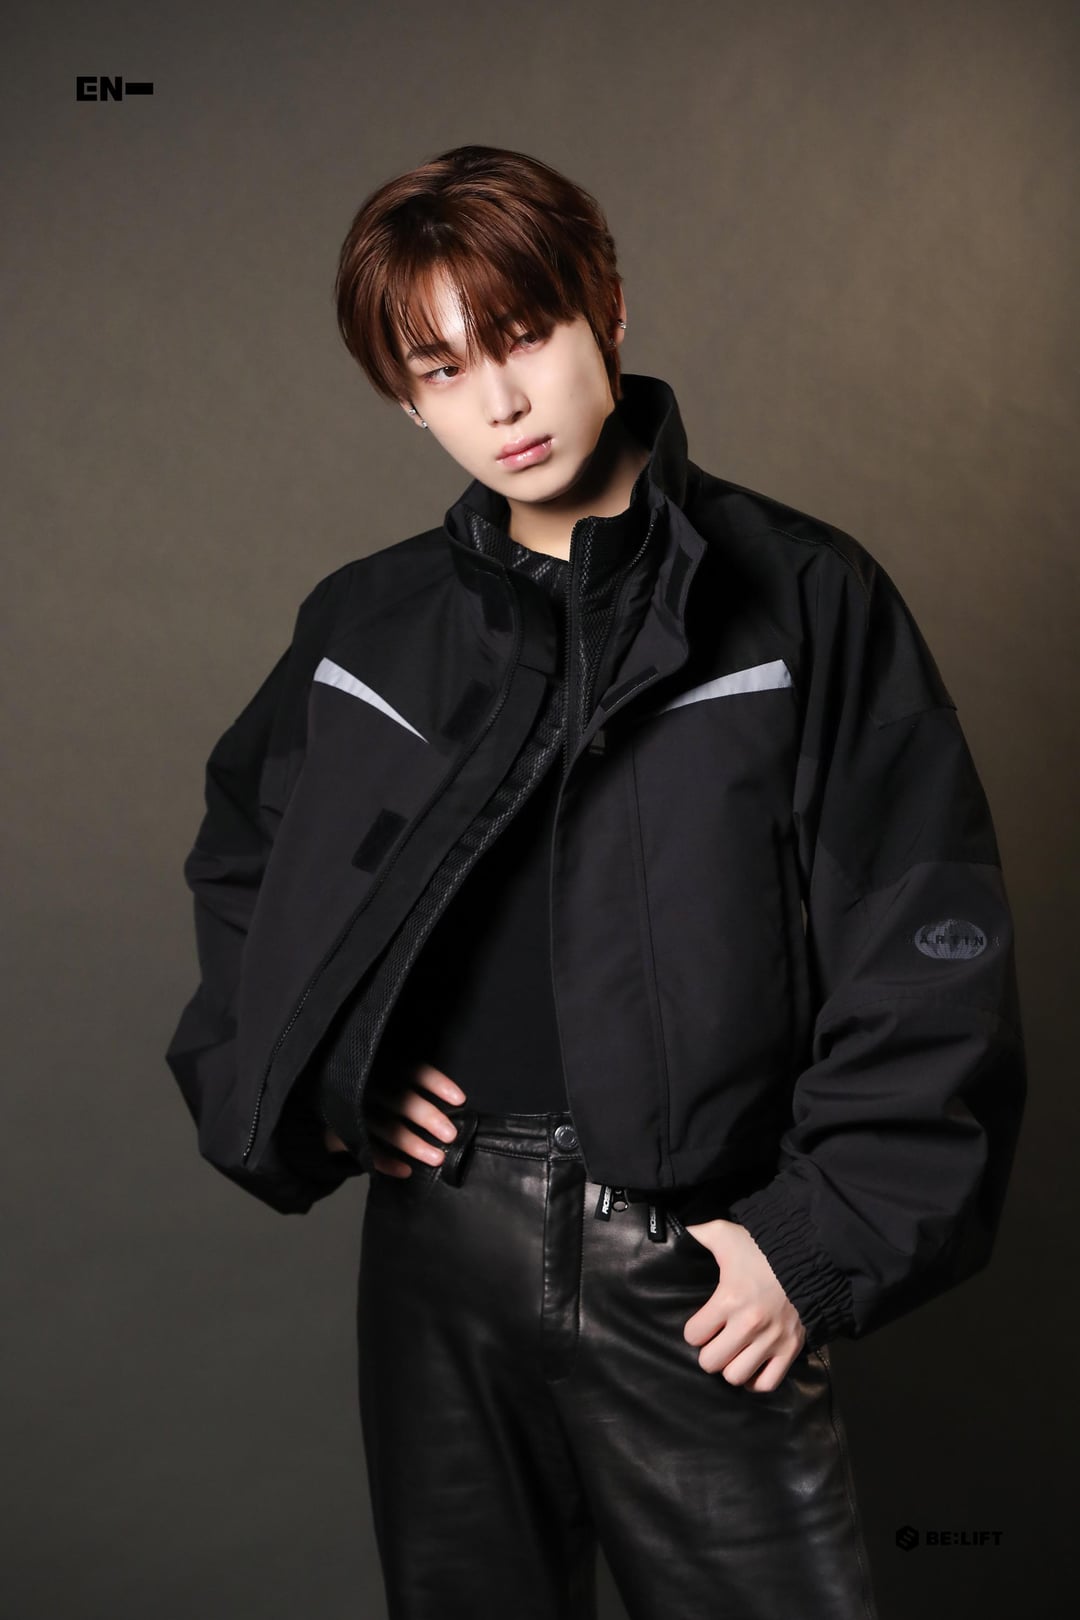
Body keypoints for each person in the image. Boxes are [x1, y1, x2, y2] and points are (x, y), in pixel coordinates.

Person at [165, 144, 1027, 1619]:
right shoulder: (369, 623)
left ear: (606, 308)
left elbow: (930, 933)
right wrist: (334, 1076)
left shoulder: (803, 595)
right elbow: (252, 867)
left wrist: (812, 1239)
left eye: (523, 337)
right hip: (440, 1251)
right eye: (442, 370)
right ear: (404, 397)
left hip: (697, 1261)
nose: (497, 404)